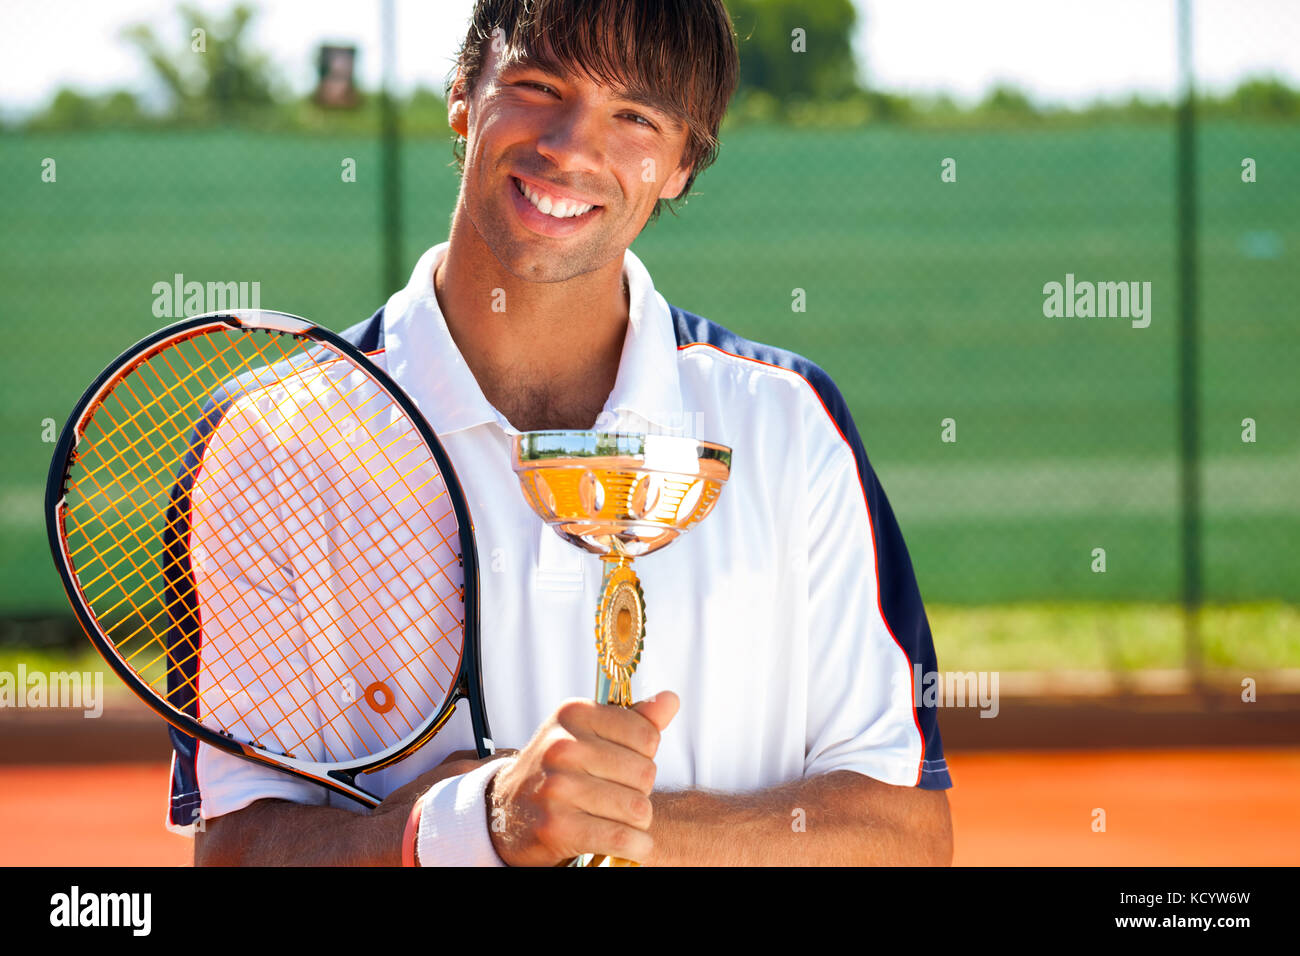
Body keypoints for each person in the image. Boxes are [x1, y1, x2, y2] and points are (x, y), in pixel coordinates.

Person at [185, 0, 952, 866]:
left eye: (635, 116)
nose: (571, 146)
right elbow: (239, 852)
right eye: (539, 85)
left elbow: (905, 834)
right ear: (462, 97)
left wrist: (611, 823)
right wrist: (466, 827)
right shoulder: (273, 440)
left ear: (681, 165)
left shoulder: (790, 423)